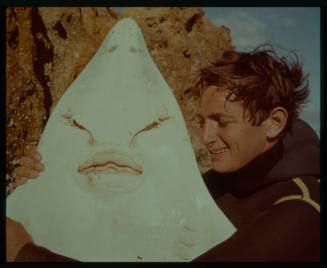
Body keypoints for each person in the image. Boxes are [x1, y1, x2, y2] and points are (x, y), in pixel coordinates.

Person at [6, 46, 320, 262]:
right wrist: (43, 184)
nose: (206, 138)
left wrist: (25, 255)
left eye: (221, 122)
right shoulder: (217, 184)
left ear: (274, 123)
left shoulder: (302, 214)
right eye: (200, 121)